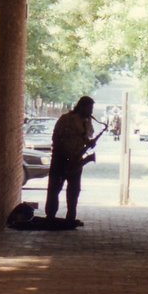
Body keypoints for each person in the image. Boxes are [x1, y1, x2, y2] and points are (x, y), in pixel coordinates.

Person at [45, 96, 96, 225]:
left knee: (74, 190)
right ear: (82, 107)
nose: (91, 111)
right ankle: (50, 216)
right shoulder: (66, 119)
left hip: (76, 160)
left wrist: (89, 142)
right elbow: (56, 137)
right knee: (54, 189)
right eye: (90, 108)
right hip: (60, 159)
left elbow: (87, 136)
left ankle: (71, 217)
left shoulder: (87, 122)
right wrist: (63, 151)